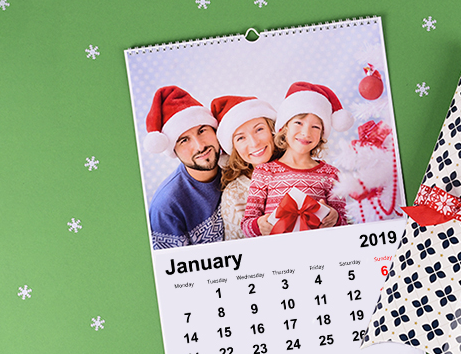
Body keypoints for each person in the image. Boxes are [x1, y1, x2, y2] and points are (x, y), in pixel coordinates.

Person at [241, 82, 354, 238]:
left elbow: (344, 226)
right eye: (298, 123)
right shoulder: (265, 172)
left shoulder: (331, 174)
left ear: (322, 135)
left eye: (315, 127)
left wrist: (335, 218)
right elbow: (247, 225)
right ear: (284, 128)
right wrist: (259, 226)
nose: (306, 132)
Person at [143, 86, 223, 249]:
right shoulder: (166, 207)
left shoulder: (237, 167)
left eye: (202, 130)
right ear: (174, 150)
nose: (200, 146)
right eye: (184, 140)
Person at [210, 95, 281, 240]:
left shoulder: (302, 167)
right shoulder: (234, 195)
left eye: (259, 129)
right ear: (234, 148)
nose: (254, 143)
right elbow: (236, 250)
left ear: (272, 129)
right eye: (240, 138)